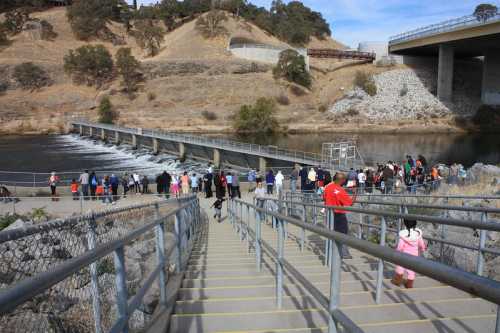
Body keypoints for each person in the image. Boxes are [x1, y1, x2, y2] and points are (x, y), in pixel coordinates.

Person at [323, 172, 354, 259]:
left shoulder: (327, 188)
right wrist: (355, 193)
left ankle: (331, 252)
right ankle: (344, 253)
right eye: (344, 179)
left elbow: (324, 198)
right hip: (339, 213)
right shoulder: (340, 190)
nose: (344, 181)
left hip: (329, 213)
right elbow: (350, 203)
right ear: (341, 180)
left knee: (331, 232)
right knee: (343, 233)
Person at [391, 219, 426, 289]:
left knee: (400, 267)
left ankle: (397, 281)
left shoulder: (404, 236)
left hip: (403, 255)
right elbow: (421, 244)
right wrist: (423, 249)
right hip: (414, 255)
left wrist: (397, 251)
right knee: (411, 269)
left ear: (405, 224)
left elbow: (400, 245)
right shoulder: (417, 235)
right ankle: (409, 284)